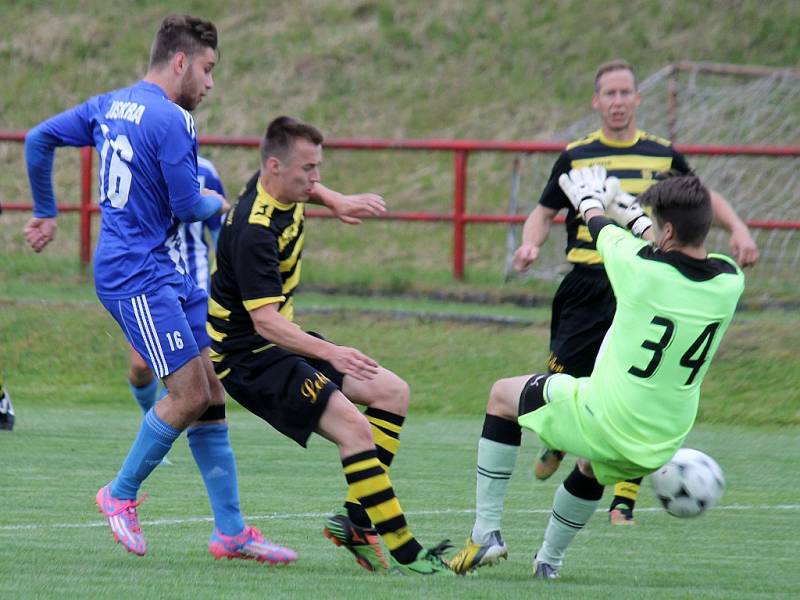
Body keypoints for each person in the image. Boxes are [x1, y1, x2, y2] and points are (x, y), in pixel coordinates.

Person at [23, 14, 296, 565]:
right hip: (134, 273)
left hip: (157, 266)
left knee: (211, 392)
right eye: (208, 69)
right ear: (180, 62)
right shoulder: (173, 119)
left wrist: (46, 213)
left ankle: (231, 533)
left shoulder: (110, 105)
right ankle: (118, 494)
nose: (210, 83)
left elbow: (38, 138)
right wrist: (223, 204)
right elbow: (186, 204)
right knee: (189, 395)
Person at [450, 167, 744, 578]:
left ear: (670, 232)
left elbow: (598, 224)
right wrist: (632, 212)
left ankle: (485, 534)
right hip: (663, 441)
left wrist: (590, 200)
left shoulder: (641, 270)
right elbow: (660, 244)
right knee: (591, 466)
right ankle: (548, 563)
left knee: (502, 396)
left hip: (605, 418)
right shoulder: (730, 280)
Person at [511, 59, 758, 524]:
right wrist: (529, 243)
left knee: (639, 380)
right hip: (589, 280)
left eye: (627, 93)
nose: (619, 102)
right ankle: (558, 440)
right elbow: (543, 212)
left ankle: (623, 498)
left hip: (650, 280)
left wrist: (739, 228)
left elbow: (701, 198)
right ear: (596, 101)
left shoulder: (662, 154)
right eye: (610, 94)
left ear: (638, 99)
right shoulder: (575, 156)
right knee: (565, 367)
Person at [207, 115, 453, 575]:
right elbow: (265, 323)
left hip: (281, 342)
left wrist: (332, 198)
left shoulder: (279, 185)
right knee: (355, 430)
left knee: (392, 392)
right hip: (251, 358)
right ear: (276, 167)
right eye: (308, 170)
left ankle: (355, 524)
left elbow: (306, 189)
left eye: (319, 167)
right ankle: (407, 552)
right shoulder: (254, 231)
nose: (315, 178)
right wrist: (332, 353)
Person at [128, 155, 225, 417]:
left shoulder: (205, 170)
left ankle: (166, 427)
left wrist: (226, 280)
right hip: (149, 281)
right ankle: (153, 418)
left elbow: (220, 233)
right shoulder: (137, 166)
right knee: (140, 368)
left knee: (201, 372)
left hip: (195, 283)